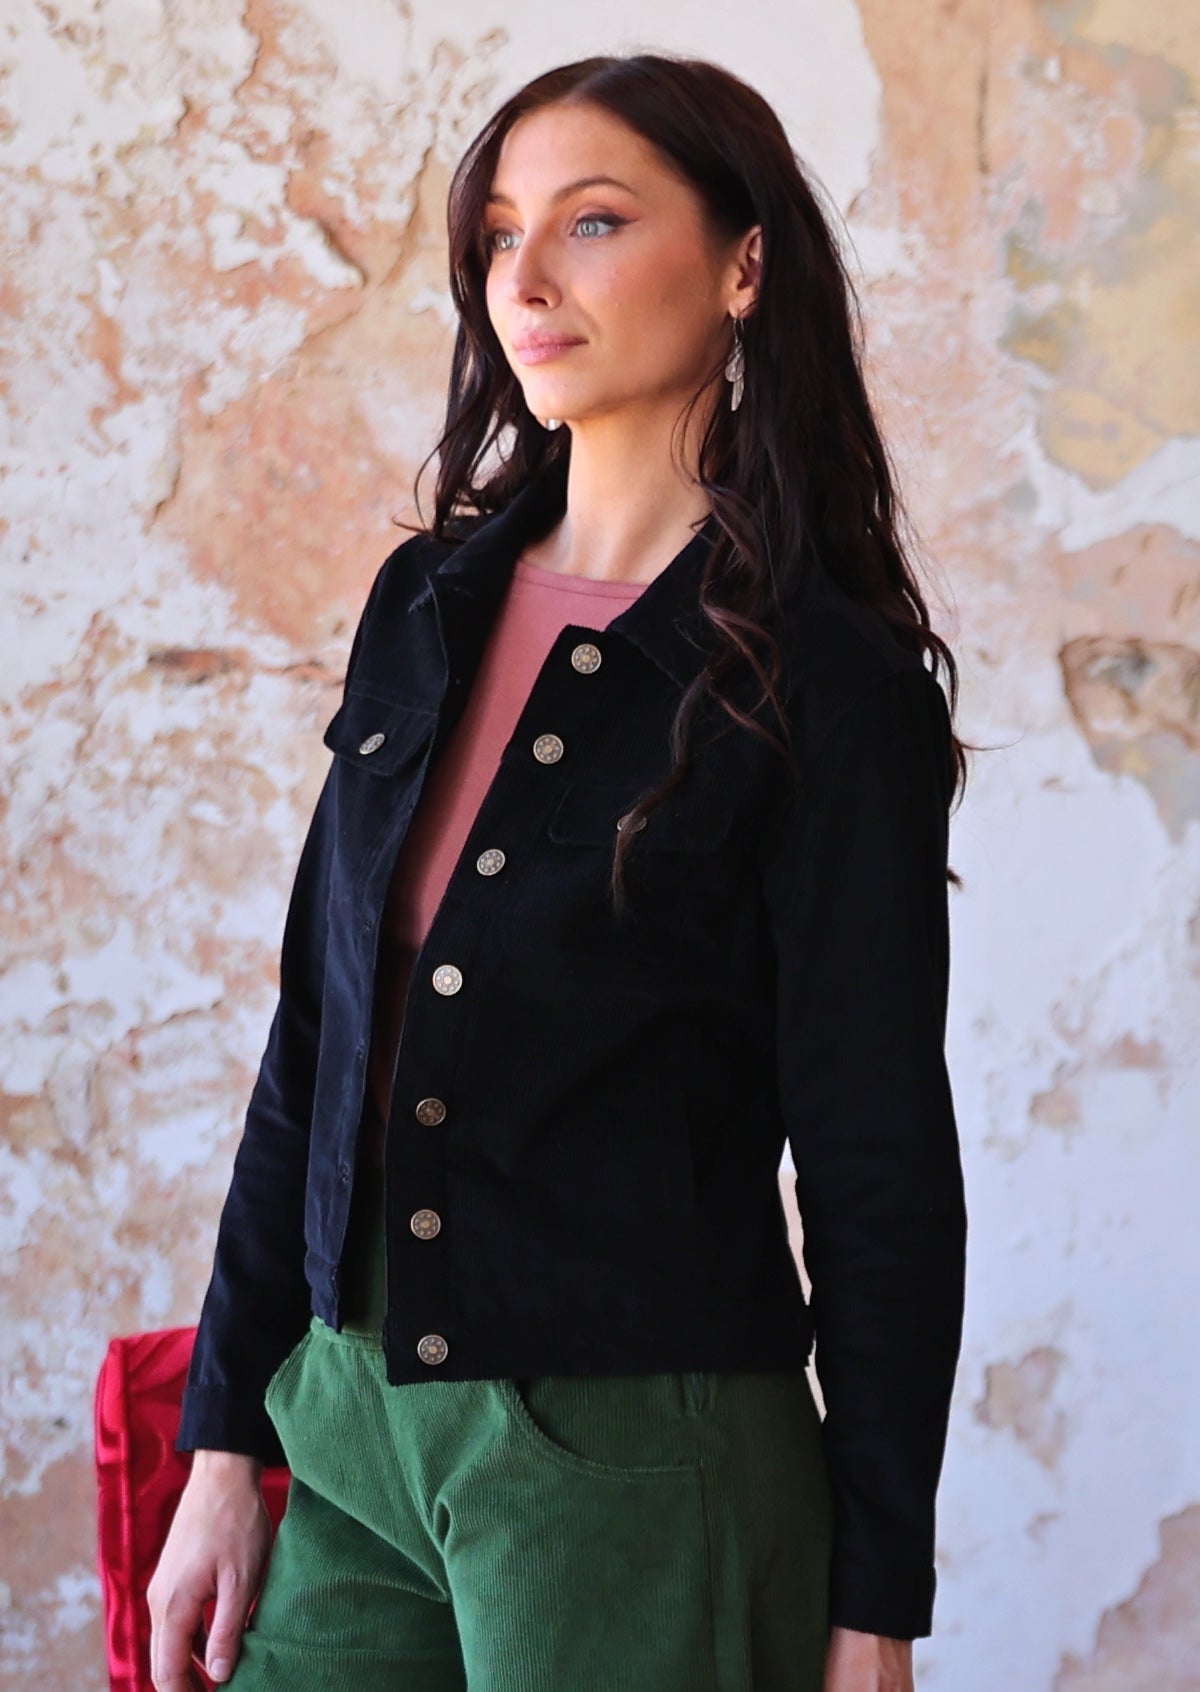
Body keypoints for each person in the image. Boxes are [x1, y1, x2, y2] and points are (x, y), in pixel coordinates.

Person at [148, 50, 970, 1692]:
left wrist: (877, 1603)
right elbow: (313, 1052)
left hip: (633, 1464)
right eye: (500, 232)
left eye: (592, 222)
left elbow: (878, 1163)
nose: (524, 277)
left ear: (745, 264)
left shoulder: (825, 678)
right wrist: (224, 1443)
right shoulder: (427, 604)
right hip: (354, 1421)